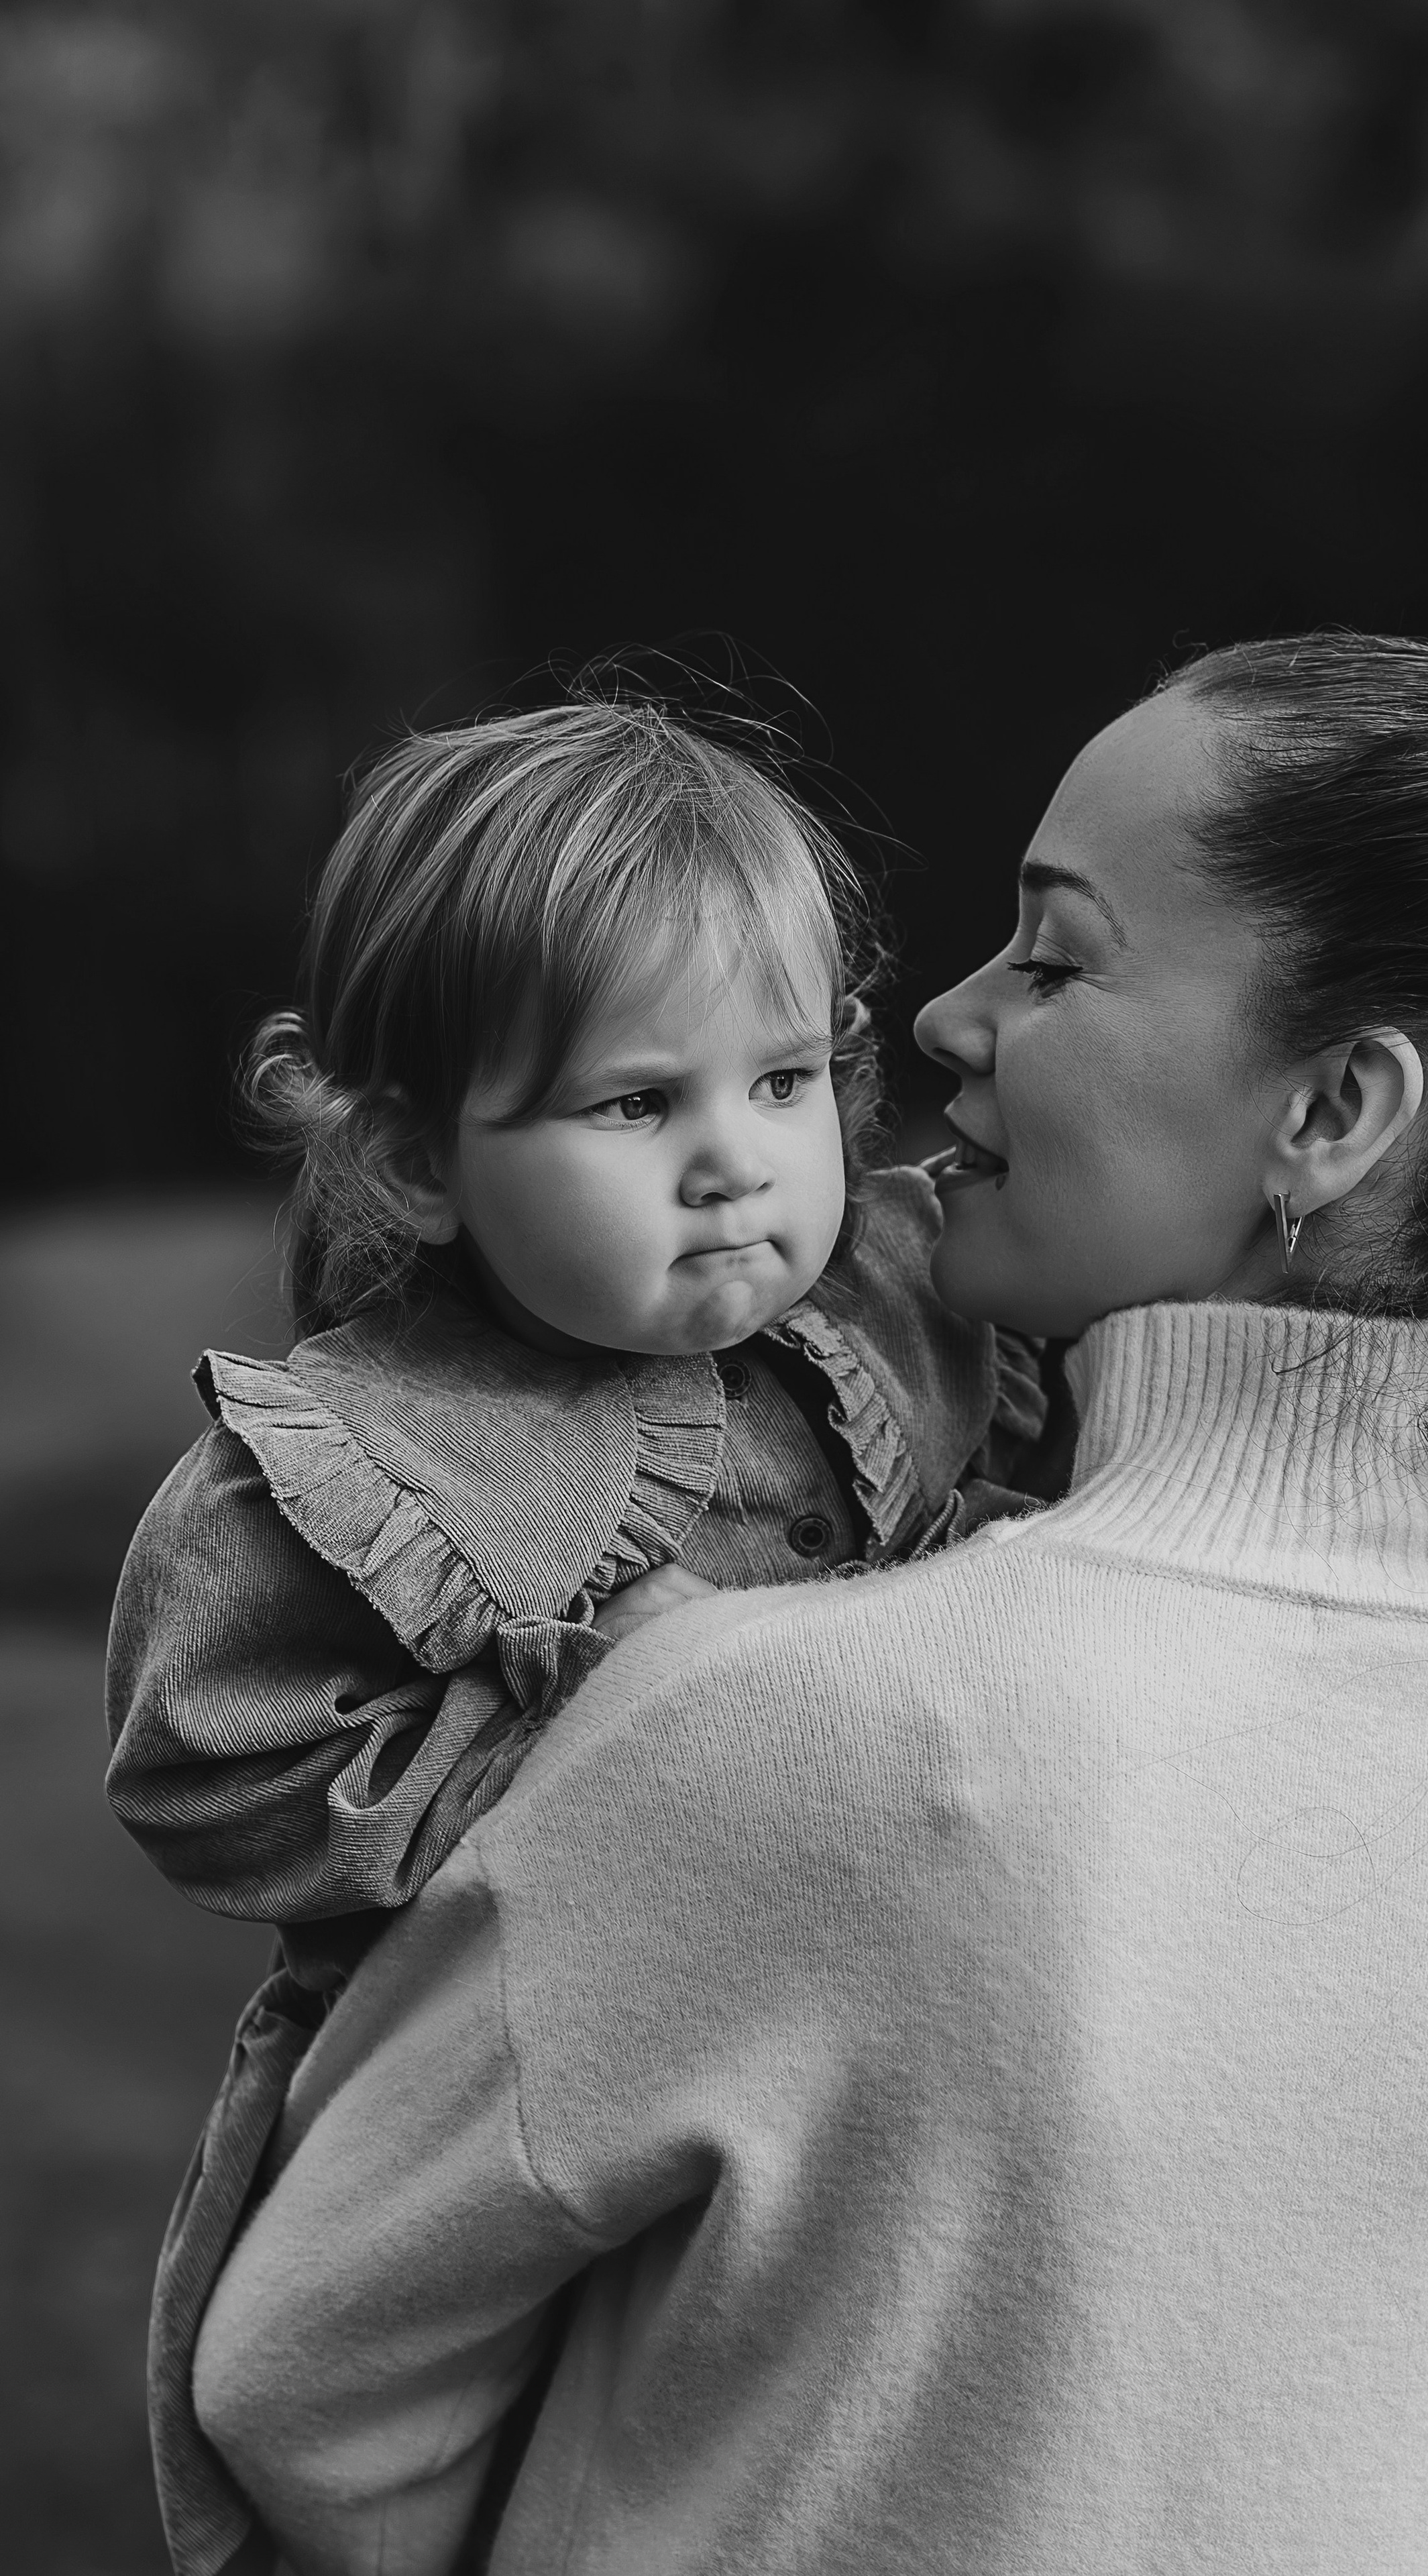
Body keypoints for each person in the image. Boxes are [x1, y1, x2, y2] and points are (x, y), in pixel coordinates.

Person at [193, 635, 1428, 2575]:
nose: (935, 1023)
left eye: (1060, 957)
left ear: (1336, 1108)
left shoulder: (791, 1721)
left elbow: (301, 2386)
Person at [103, 697, 1046, 2576]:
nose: (736, 1163)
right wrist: (583, 1723)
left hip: (843, 2053)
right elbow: (211, 1768)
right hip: (496, 2081)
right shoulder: (371, 1444)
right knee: (477, 2484)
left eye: (783, 1082)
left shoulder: (907, 1307)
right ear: (413, 1158)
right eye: (636, 1104)